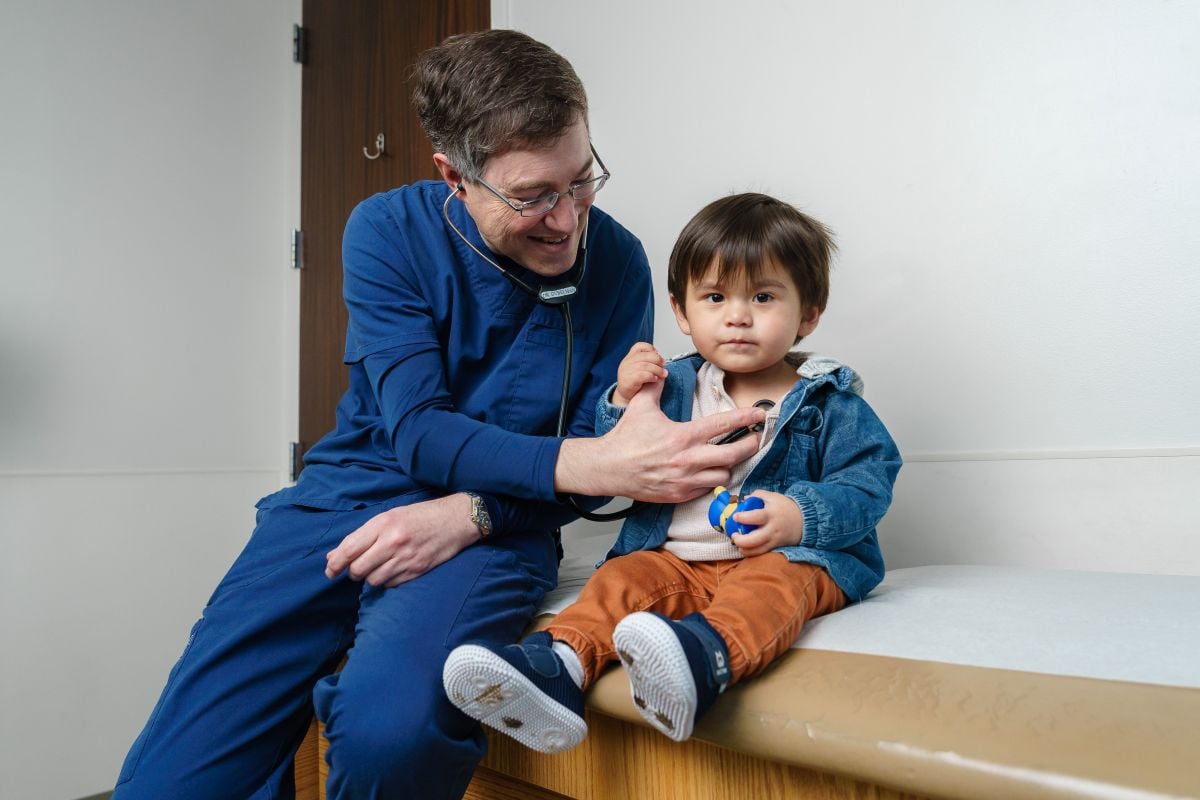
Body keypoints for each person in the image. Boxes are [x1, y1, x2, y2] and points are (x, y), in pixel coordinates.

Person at [112, 30, 765, 800]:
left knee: (392, 738)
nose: (566, 220)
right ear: (454, 176)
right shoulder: (387, 231)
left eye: (581, 179)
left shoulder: (616, 261)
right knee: (174, 779)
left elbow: (608, 466)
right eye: (532, 196)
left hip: (498, 527)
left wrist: (480, 512)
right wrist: (598, 464)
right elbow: (425, 432)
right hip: (340, 504)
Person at [442, 192, 902, 752]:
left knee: (776, 585)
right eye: (715, 297)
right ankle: (558, 666)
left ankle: (703, 657)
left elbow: (868, 484)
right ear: (682, 312)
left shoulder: (829, 403)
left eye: (763, 296)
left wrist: (799, 516)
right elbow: (616, 449)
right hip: (675, 560)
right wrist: (622, 397)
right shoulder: (674, 384)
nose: (737, 316)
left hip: (783, 558)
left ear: (808, 312)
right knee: (622, 580)